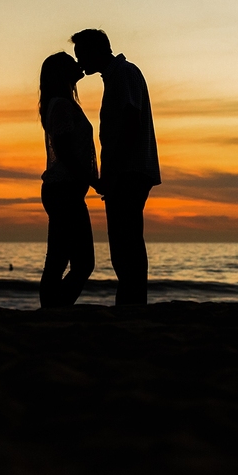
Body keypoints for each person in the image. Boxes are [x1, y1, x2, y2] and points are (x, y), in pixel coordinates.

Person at [71, 29, 160, 305]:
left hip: (129, 172)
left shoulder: (122, 74)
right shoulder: (118, 75)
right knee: (126, 240)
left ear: (95, 51)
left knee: (125, 242)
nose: (79, 63)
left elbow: (130, 122)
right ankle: (132, 300)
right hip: (129, 170)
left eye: (81, 55)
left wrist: (113, 172)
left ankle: (132, 303)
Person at [38, 51, 98, 307]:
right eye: (71, 63)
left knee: (59, 259)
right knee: (82, 263)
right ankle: (56, 309)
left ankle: (52, 311)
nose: (78, 64)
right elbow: (64, 151)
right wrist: (94, 180)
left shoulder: (63, 103)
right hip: (64, 190)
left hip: (64, 190)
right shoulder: (61, 105)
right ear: (62, 73)